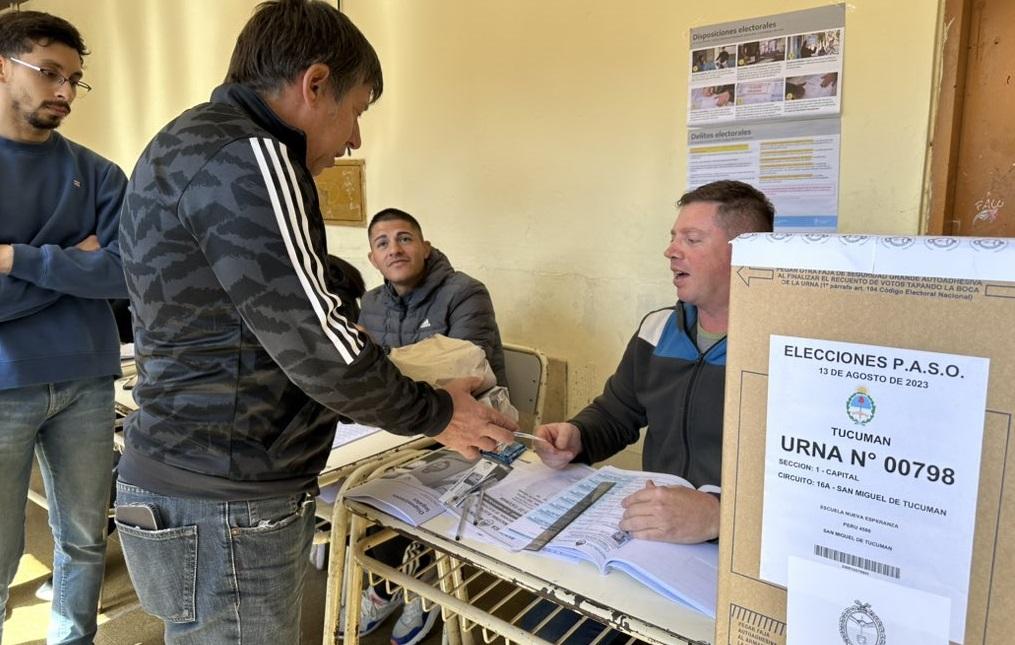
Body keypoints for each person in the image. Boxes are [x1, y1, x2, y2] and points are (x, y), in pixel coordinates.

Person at [116, 1, 515, 642]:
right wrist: (440, 414)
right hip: (229, 490)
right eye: (358, 110)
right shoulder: (253, 155)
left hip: (186, 470)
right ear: (315, 84)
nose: (355, 137)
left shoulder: (184, 141)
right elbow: (318, 341)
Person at [528, 180, 773, 642]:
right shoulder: (658, 329)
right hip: (651, 540)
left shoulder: (792, 349)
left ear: (746, 254)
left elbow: (822, 488)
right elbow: (618, 412)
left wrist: (721, 516)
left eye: (692, 240)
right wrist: (578, 435)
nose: (670, 252)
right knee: (545, 624)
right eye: (673, 237)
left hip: (744, 559)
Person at [0, 11, 127, 644]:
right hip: (4, 383)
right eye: (48, 73)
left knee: (83, 539)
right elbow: (97, 270)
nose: (64, 92)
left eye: (75, 80)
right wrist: (74, 260)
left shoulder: (100, 173)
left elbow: (127, 273)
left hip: (88, 376)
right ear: (1, 66)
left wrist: (15, 257)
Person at [360, 207, 508, 386]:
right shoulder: (370, 302)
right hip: (393, 407)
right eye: (382, 244)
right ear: (373, 259)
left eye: (404, 239)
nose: (394, 250)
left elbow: (464, 372)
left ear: (425, 249)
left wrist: (380, 354)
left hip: (463, 407)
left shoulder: (467, 293)